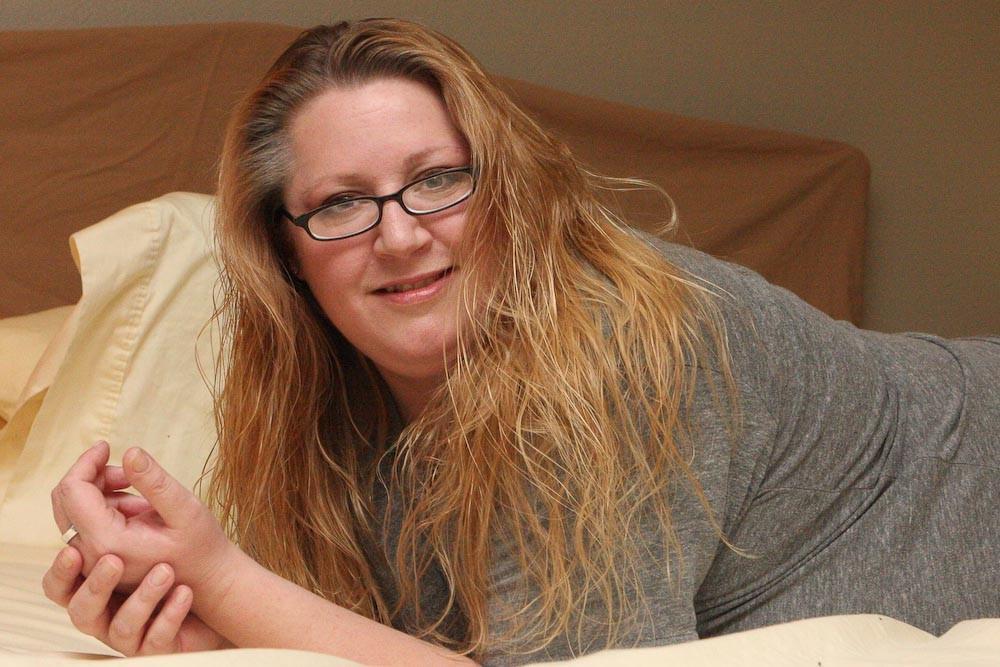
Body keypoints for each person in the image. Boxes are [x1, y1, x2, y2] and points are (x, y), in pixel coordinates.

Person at [43, 18, 999, 665]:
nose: (401, 235)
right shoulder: (329, 403)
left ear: (507, 189)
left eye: (438, 179)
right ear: (285, 252)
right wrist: (204, 622)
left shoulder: (620, 343)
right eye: (340, 202)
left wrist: (223, 579)